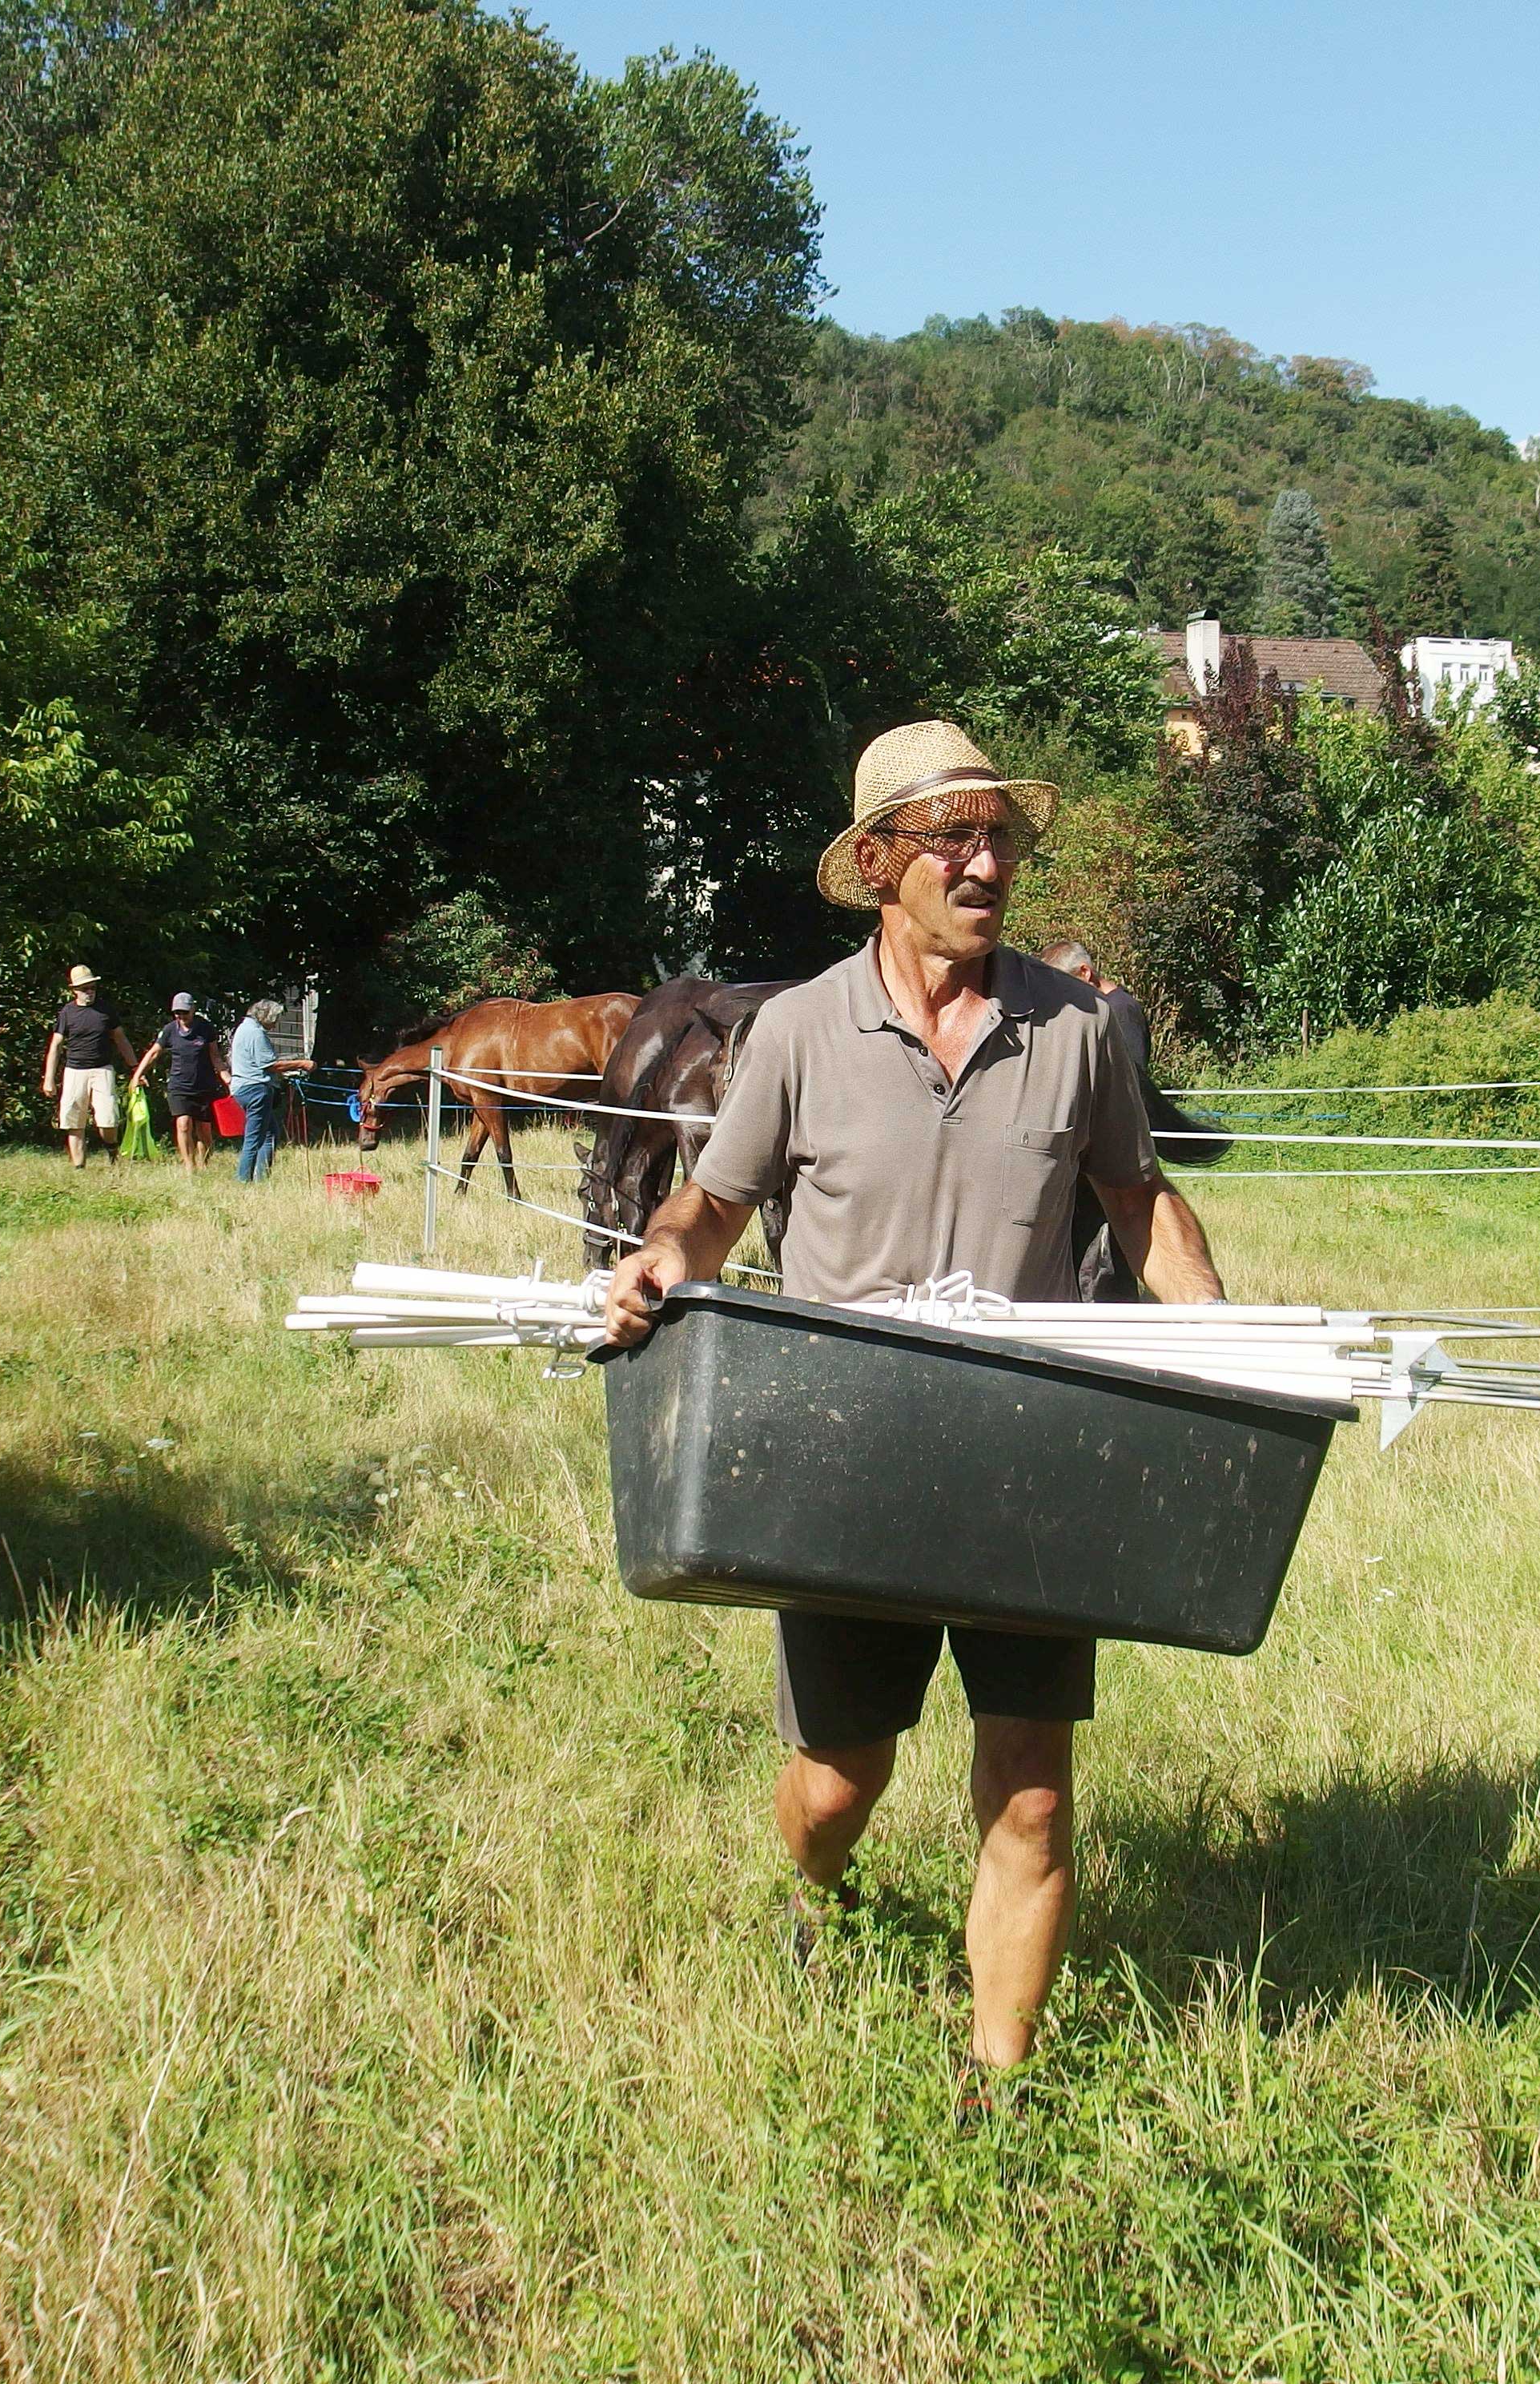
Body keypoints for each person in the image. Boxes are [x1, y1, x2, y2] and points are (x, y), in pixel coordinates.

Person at [601, 720, 1226, 2073]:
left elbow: (1136, 1196)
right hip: (850, 1458)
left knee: (1034, 1799)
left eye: (999, 834)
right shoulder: (797, 1032)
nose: (986, 859)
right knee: (838, 1784)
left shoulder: (1075, 1030)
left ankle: (994, 2086)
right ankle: (817, 1892)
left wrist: (1221, 1336)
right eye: (953, 836)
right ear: (880, 861)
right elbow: (716, 1204)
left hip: (1026, 1456)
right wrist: (662, 1254)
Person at [39, 964, 142, 1170]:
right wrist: (49, 1078)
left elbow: (121, 1040)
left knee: (108, 1118)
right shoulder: (67, 1012)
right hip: (75, 1071)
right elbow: (56, 1046)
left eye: (92, 988)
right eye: (85, 988)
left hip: (102, 1070)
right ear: (74, 990)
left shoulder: (106, 1011)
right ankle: (79, 1167)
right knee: (73, 1121)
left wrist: (135, 1068)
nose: (90, 992)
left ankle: (112, 1150)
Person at [129, 991, 224, 1174]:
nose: (181, 1016)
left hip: (204, 1086)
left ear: (193, 1010)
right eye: (177, 1013)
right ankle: (189, 1166)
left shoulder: (206, 1028)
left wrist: (226, 1078)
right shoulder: (169, 1030)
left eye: (185, 1012)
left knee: (204, 1129)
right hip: (179, 1086)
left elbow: (215, 1057)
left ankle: (204, 1164)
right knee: (183, 1124)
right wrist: (137, 1075)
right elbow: (153, 1053)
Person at [1037, 937, 1152, 1077]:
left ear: (1085, 972)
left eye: (1064, 986)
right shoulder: (1098, 1008)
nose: (1062, 996)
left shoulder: (1120, 1009)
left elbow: (1133, 1077)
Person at [228, 999, 312, 1183]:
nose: (275, 1025)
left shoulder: (243, 1028)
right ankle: (243, 1180)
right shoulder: (256, 1033)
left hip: (242, 1088)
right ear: (264, 1016)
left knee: (269, 1134)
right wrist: (302, 1063)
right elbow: (269, 1065)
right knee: (254, 1139)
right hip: (256, 1090)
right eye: (274, 1020)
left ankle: (262, 1178)